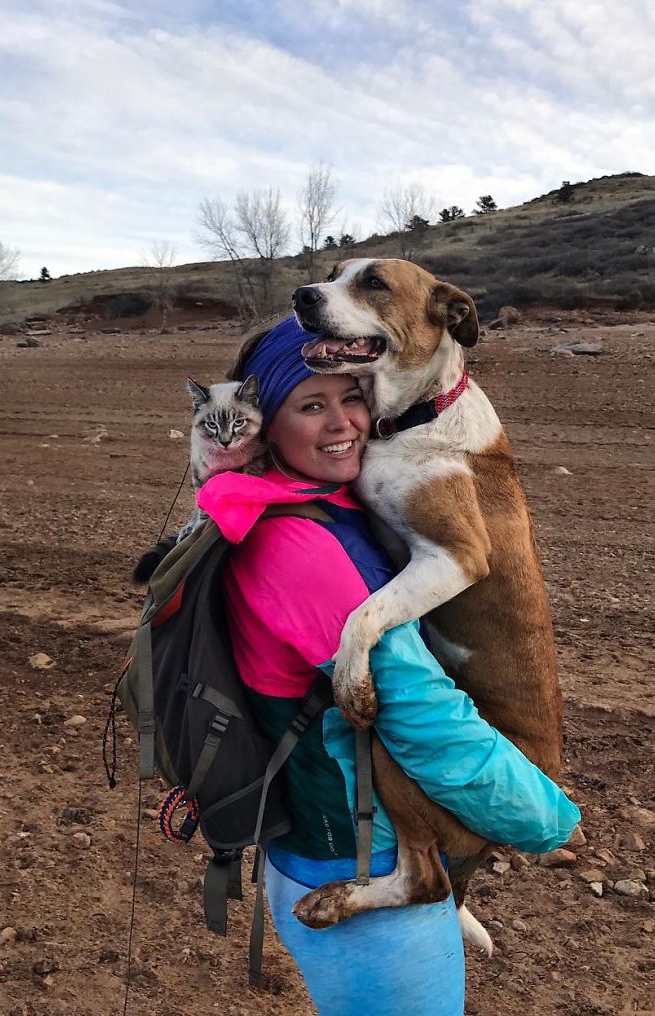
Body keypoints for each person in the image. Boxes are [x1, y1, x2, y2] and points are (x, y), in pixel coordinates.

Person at [195, 316, 580, 1016]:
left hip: (332, 837)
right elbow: (424, 719)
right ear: (262, 425)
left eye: (353, 396)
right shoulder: (302, 547)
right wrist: (549, 819)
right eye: (311, 405)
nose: (344, 422)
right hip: (362, 859)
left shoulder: (323, 506)